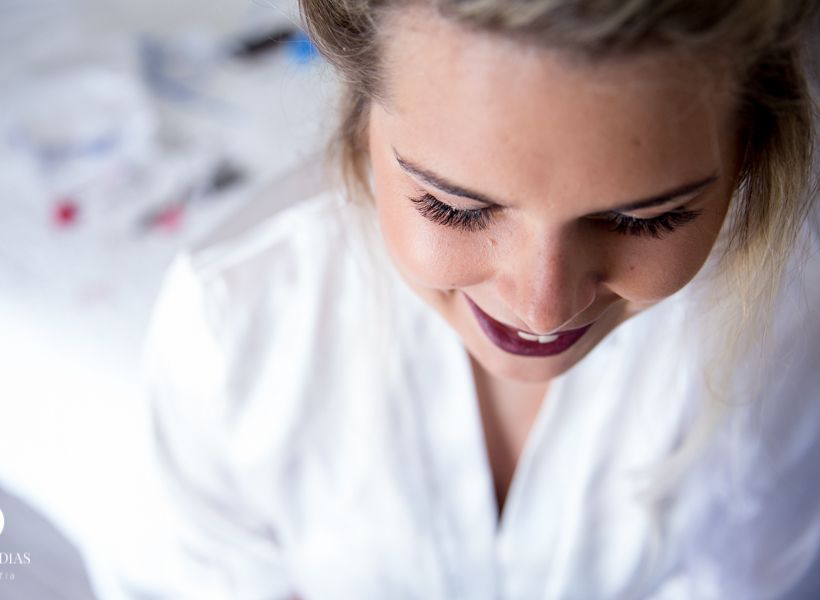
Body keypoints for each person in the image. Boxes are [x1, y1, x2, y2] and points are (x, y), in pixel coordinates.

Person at [140, 1, 820, 598]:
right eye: (455, 208)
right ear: (360, 119)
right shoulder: (229, 317)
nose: (542, 309)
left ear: (749, 157)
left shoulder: (790, 339)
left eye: (644, 221)